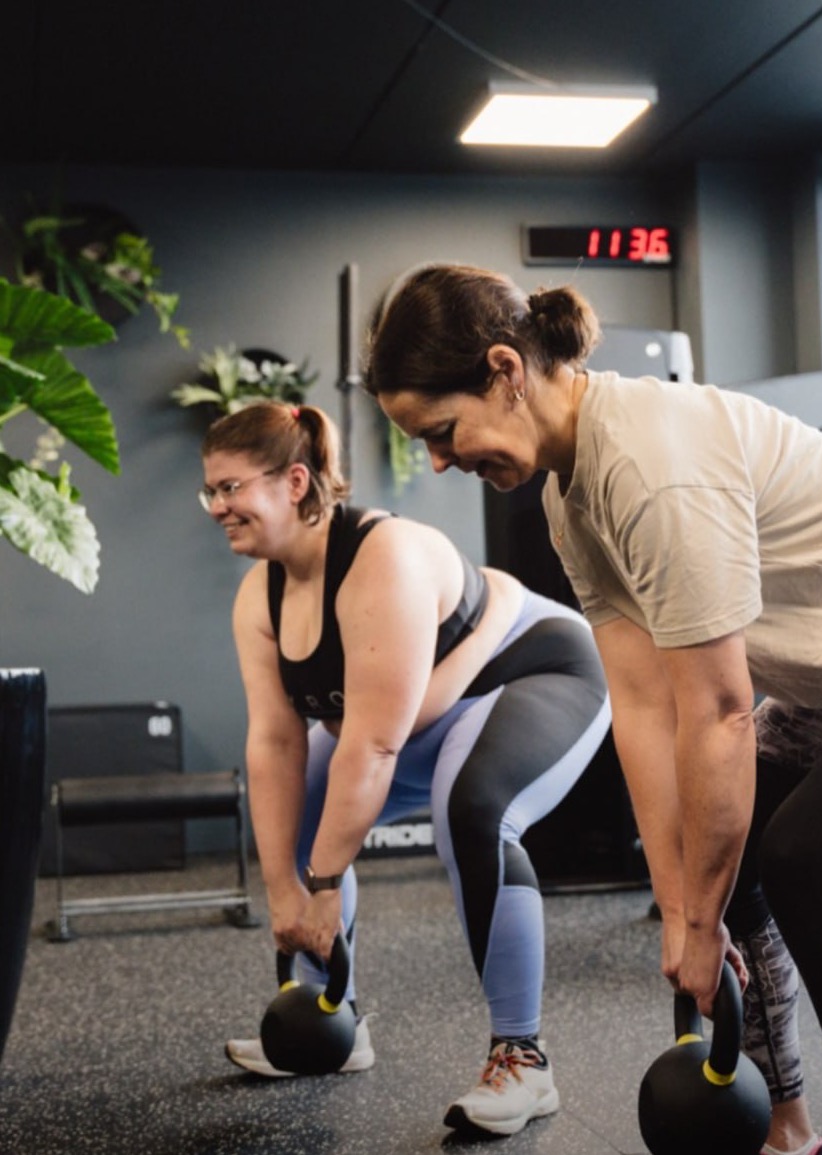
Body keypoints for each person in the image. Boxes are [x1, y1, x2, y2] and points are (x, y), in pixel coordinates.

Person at [362, 264, 822, 1155]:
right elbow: (643, 705)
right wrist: (681, 904)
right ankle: (784, 1131)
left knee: (810, 858)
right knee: (739, 849)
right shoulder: (570, 496)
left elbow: (720, 712)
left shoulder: (653, 464)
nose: (439, 462)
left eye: (441, 432)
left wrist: (704, 921)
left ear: (504, 371)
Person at [201, 400, 610, 1138]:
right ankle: (328, 1023)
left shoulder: (378, 557)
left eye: (231, 488)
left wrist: (325, 886)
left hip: (533, 674)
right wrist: (284, 890)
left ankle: (522, 1059)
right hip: (416, 718)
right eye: (210, 491)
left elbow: (372, 746)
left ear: (295, 482)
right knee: (300, 805)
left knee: (473, 809)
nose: (218, 507)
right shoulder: (259, 594)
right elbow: (274, 744)